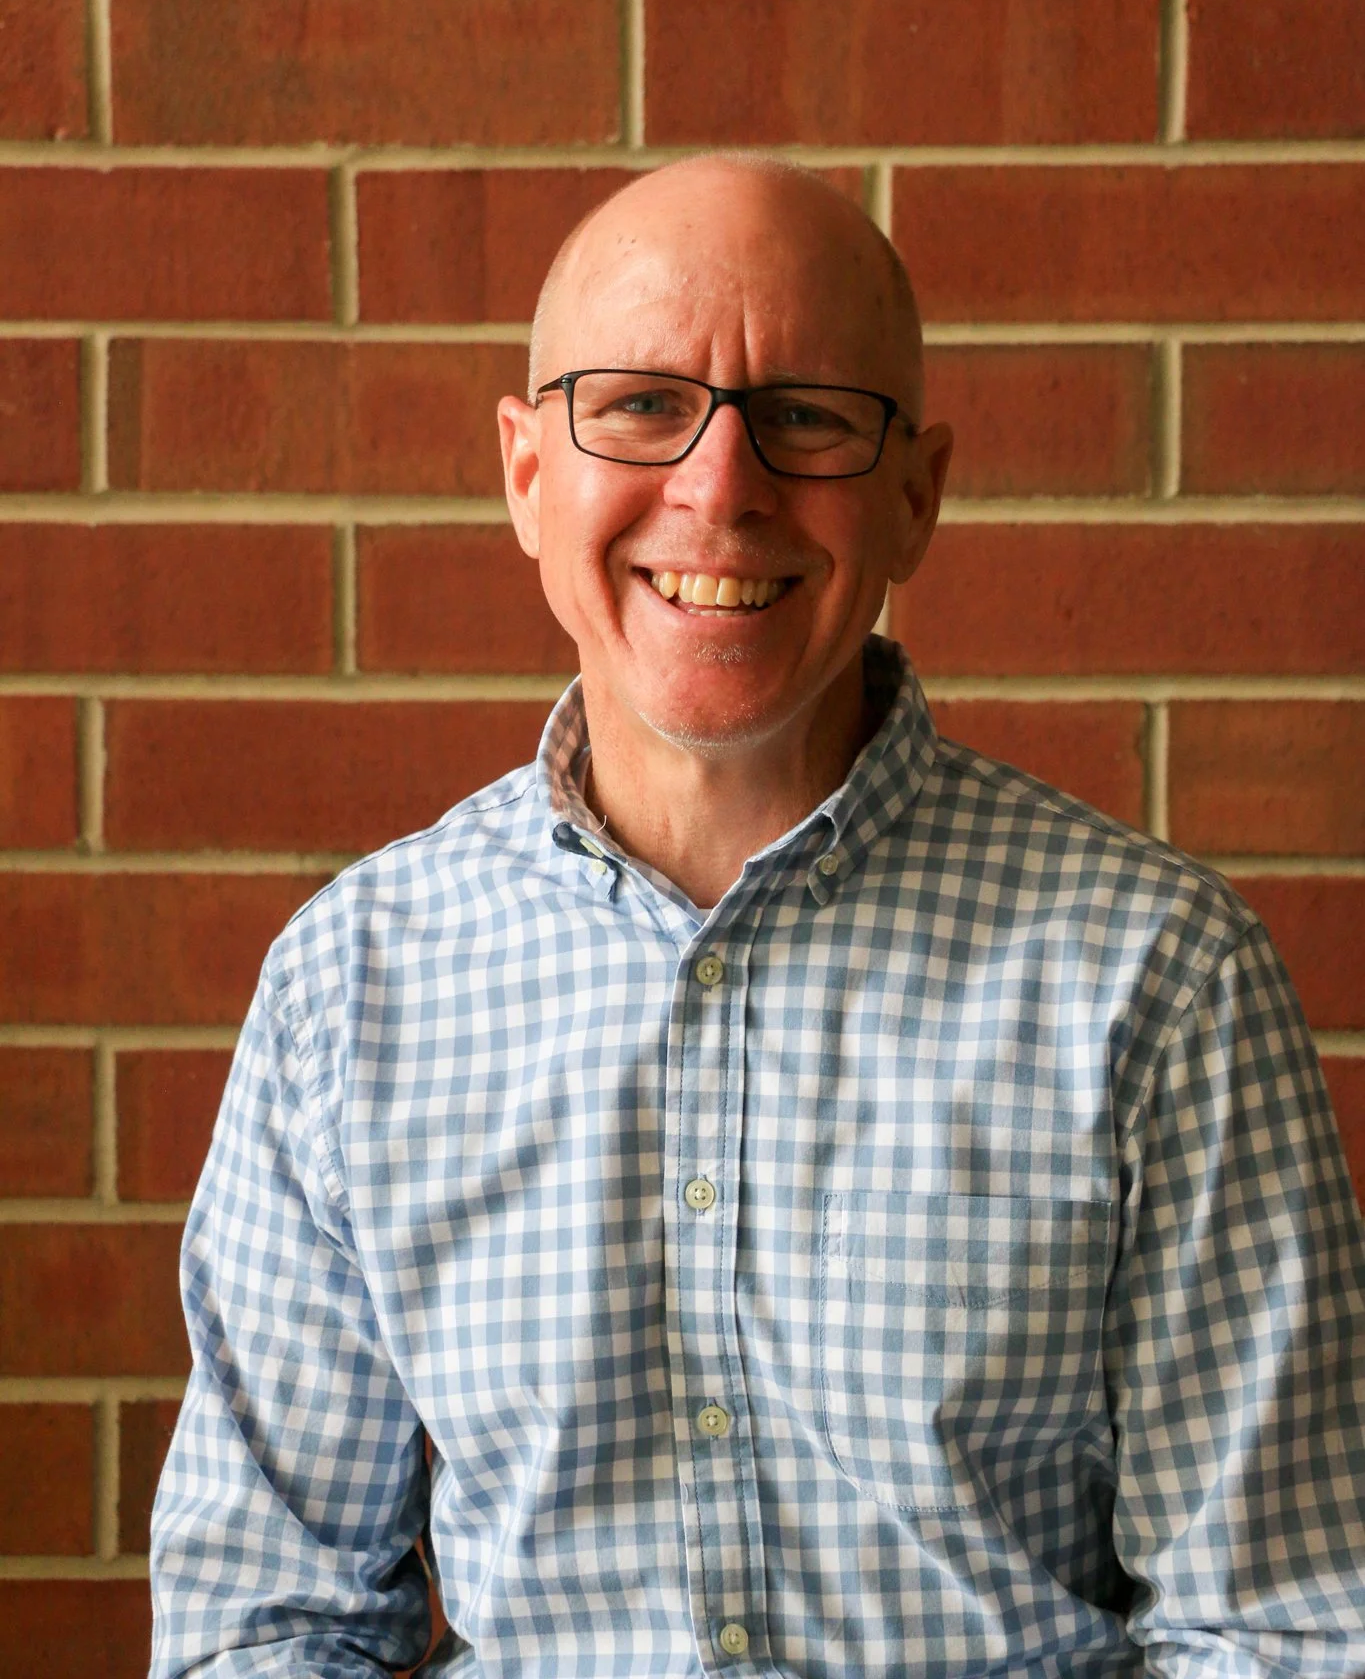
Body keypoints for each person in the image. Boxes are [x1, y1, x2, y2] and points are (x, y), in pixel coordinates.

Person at [150, 156, 1365, 1678]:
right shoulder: (353, 990)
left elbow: (1282, 1631)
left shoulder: (1155, 983)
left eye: (803, 416)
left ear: (916, 493)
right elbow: (266, 1624)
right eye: (644, 405)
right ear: (529, 476)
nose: (720, 488)